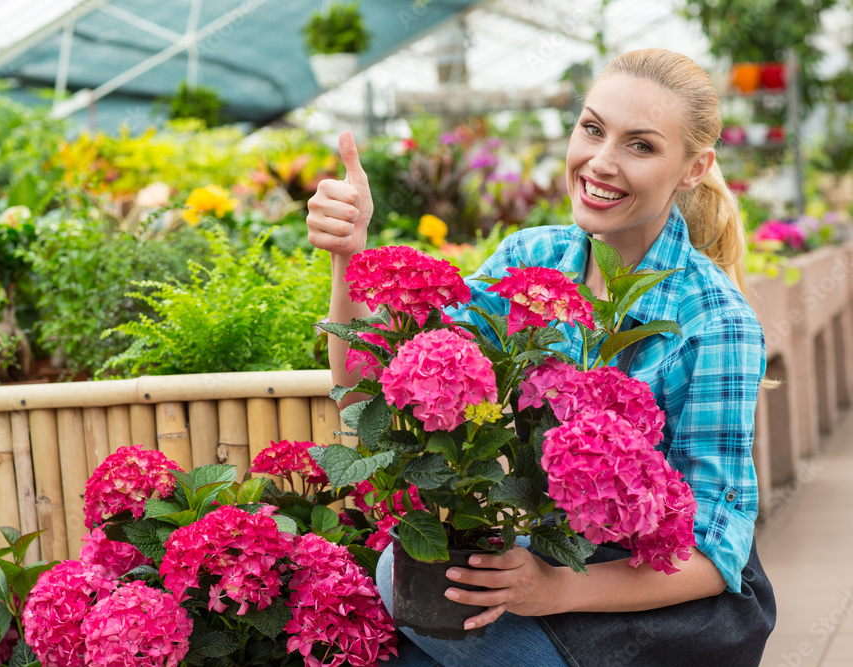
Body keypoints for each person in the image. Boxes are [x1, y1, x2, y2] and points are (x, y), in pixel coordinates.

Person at [305, 48, 775, 666]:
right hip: (544, 553)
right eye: (593, 129)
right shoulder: (532, 261)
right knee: (405, 572)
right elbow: (373, 390)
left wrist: (554, 588)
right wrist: (349, 257)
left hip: (661, 599)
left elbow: (717, 553)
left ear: (694, 168)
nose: (601, 162)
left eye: (641, 146)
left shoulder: (716, 321)